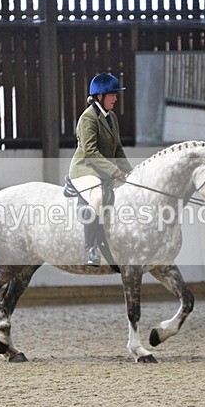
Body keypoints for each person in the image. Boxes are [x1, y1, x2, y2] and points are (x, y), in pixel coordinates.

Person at [68, 72, 133, 265]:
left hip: (103, 170)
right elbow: (90, 151)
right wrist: (114, 171)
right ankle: (90, 249)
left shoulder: (111, 117)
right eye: (112, 94)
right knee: (97, 198)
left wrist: (129, 172)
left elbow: (118, 148)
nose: (115, 98)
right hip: (85, 169)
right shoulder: (88, 118)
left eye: (115, 94)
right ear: (100, 96)